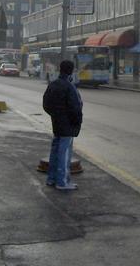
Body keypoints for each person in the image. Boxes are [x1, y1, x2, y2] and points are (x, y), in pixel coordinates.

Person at [43, 60, 83, 190]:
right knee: (64, 153)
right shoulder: (70, 87)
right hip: (68, 126)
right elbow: (75, 107)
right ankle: (62, 182)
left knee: (55, 151)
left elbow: (46, 104)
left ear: (60, 69)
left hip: (57, 123)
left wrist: (55, 115)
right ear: (71, 71)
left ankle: (51, 179)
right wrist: (76, 122)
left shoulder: (53, 84)